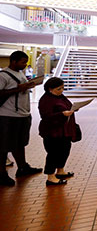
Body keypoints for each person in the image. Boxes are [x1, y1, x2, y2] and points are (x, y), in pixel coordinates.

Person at [0, 50, 43, 186]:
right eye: (23, 62)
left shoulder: (19, 74)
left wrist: (28, 85)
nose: (25, 65)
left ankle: (23, 167)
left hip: (22, 115)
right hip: (8, 116)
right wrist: (18, 89)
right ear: (14, 61)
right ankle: (1, 174)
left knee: (20, 143)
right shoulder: (3, 76)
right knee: (4, 146)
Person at [38, 77, 79, 186]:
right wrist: (62, 114)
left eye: (62, 88)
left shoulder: (61, 97)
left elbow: (68, 105)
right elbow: (45, 116)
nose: (61, 91)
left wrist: (74, 108)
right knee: (53, 153)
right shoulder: (46, 100)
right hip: (52, 131)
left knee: (65, 149)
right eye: (58, 89)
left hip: (64, 130)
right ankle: (50, 176)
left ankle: (60, 171)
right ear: (50, 89)